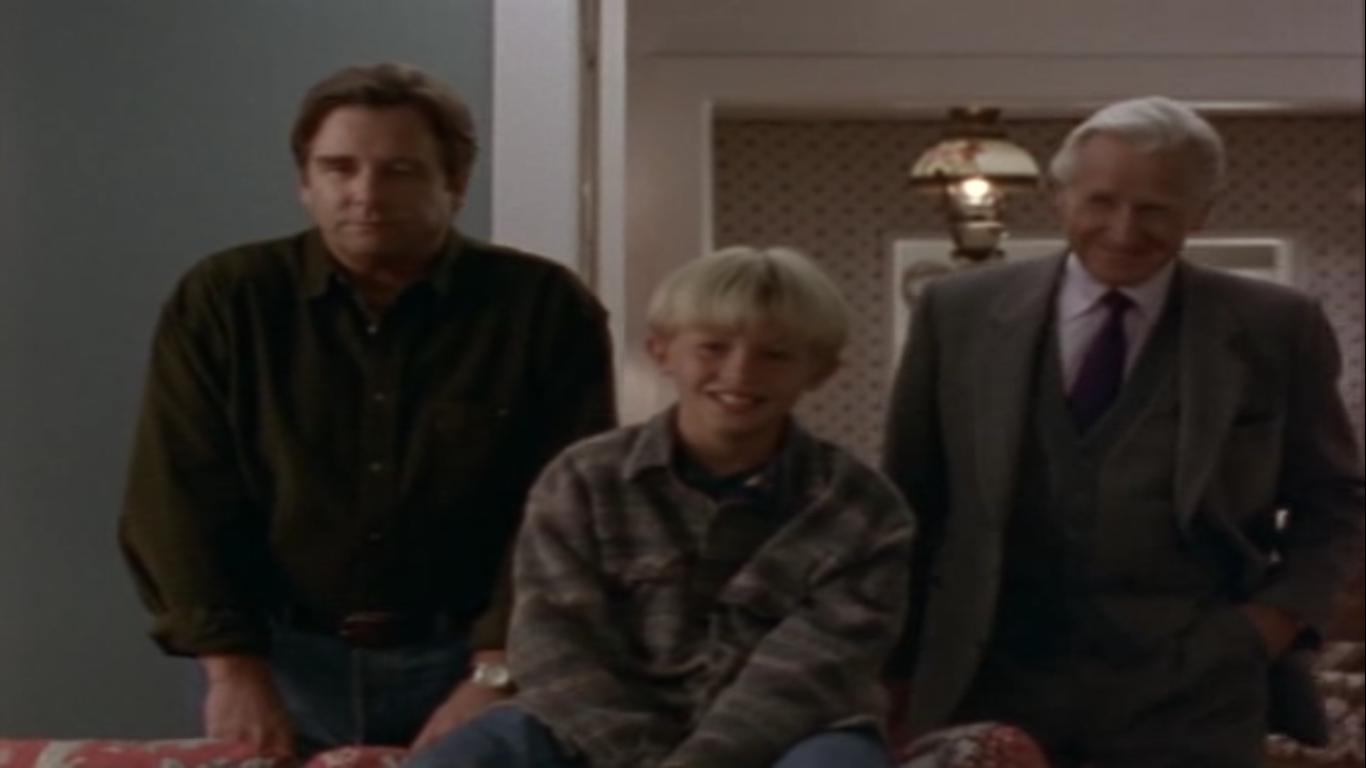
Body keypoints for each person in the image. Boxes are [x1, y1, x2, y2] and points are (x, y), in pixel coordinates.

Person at [119, 62, 616, 756]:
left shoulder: (543, 309)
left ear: (456, 183)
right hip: (278, 657)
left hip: (471, 660)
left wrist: (496, 668)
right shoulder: (228, 300)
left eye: (400, 171)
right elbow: (177, 492)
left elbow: (566, 506)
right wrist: (231, 668)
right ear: (305, 182)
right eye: (338, 168)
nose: (365, 194)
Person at [882, 95, 1365, 766]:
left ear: (1202, 212)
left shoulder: (1276, 326)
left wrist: (1268, 625)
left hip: (1195, 694)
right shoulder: (957, 312)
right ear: (1059, 197)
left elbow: (1334, 499)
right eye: (1101, 201)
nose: (1124, 229)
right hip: (988, 680)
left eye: (1156, 208)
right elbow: (909, 501)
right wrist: (895, 671)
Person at [405, 246, 915, 768]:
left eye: (776, 355)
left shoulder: (861, 507)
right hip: (593, 727)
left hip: (795, 731)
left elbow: (815, 670)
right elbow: (555, 644)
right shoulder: (584, 480)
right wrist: (639, 757)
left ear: (821, 372)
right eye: (713, 348)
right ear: (661, 350)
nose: (741, 372)